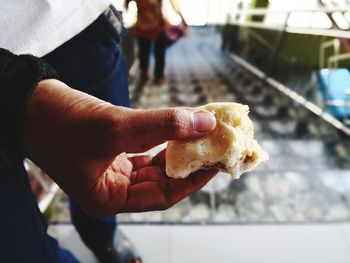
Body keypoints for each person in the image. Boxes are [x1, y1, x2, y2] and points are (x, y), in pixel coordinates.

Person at [0, 48, 218, 262]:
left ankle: (103, 239)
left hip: (85, 32)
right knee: (20, 245)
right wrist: (19, 94)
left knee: (108, 172)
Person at [125, 0, 185, 85]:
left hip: (147, 25)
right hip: (151, 26)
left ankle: (151, 74)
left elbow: (126, 4)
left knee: (149, 50)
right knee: (150, 51)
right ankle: (153, 74)